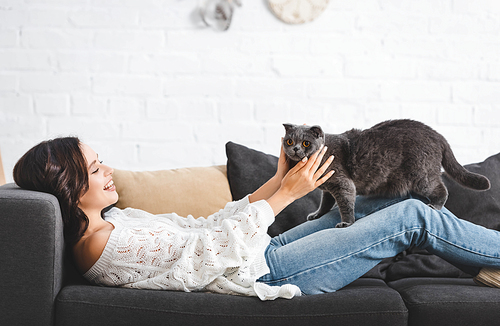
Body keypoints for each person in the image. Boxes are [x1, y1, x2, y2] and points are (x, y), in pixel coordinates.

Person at [12, 137, 500, 300]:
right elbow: (205, 258)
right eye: (95, 169)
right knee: (413, 214)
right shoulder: (100, 247)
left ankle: (485, 263)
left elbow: (205, 227)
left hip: (256, 254)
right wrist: (286, 196)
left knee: (378, 205)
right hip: (261, 272)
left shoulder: (116, 221)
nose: (109, 170)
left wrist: (277, 180)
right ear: (69, 188)